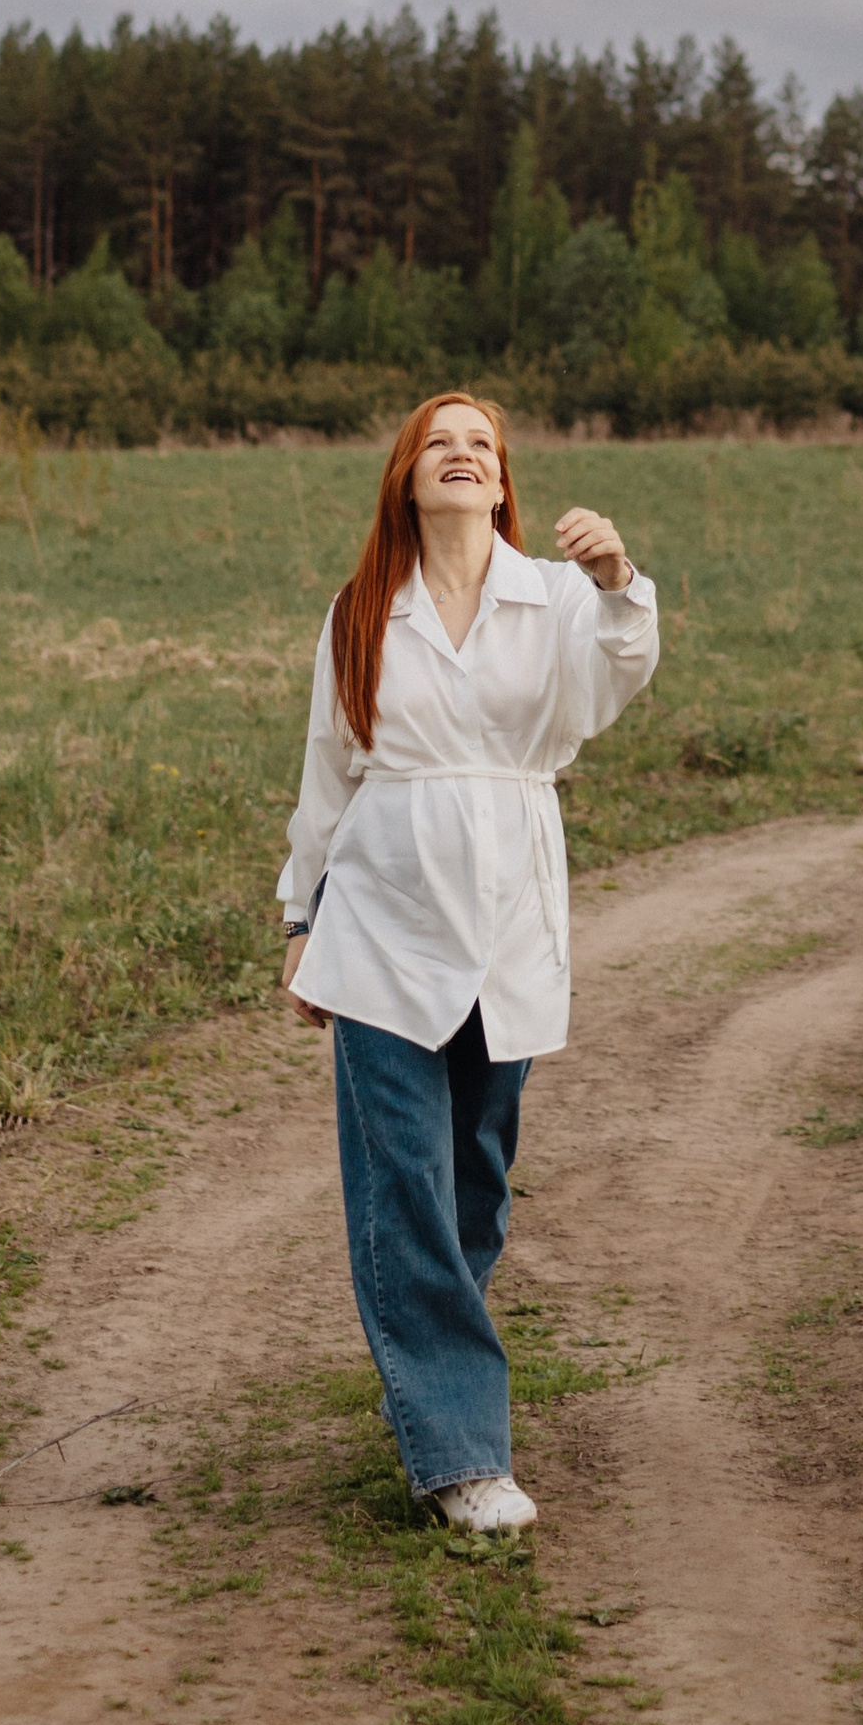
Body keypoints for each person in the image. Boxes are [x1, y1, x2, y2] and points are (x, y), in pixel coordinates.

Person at [278, 390, 657, 1535]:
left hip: (507, 916)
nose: (459, 455)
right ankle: (459, 1455)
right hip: (382, 923)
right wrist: (302, 919)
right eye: (436, 443)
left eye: (479, 445)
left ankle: (428, 1377)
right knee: (403, 1183)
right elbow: (328, 773)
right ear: (405, 478)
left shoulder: (550, 599)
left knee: (473, 1183)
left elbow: (613, 682)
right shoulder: (358, 611)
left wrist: (616, 582)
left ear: (503, 484)